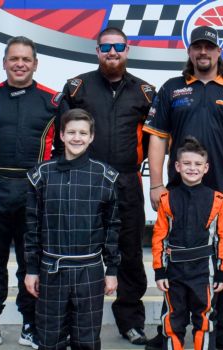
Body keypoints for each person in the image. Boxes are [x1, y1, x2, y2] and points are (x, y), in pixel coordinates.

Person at [143, 25, 223, 350]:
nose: (203, 53)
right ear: (190, 52)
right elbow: (156, 138)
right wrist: (155, 184)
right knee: (176, 265)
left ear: (218, 52)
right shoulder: (172, 88)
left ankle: (222, 332)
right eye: (197, 47)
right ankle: (168, 330)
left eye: (208, 48)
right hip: (178, 197)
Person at [0, 35, 64, 350]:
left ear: (35, 64)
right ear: (5, 63)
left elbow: (62, 149)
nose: (20, 64)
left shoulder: (53, 101)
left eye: (26, 59)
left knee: (31, 262)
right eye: (14, 59)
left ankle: (30, 326)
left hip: (34, 190)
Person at [60, 26, 155, 345]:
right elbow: (63, 138)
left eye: (118, 46)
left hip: (128, 182)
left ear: (128, 50)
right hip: (85, 181)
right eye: (106, 47)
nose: (112, 52)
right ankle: (77, 321)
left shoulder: (145, 92)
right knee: (80, 253)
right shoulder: (77, 88)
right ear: (96, 51)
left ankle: (130, 320)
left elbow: (153, 142)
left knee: (129, 253)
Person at [23, 108, 121, 350]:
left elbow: (113, 227)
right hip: (51, 268)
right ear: (62, 136)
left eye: (83, 133)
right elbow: (32, 227)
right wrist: (32, 269)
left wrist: (112, 270)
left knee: (86, 339)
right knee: (49, 336)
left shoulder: (105, 176)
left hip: (89, 269)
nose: (77, 138)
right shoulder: (41, 174)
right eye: (72, 132)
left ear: (92, 137)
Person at [151, 136, 223, 350]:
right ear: (177, 166)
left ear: (206, 168)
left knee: (204, 320)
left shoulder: (217, 199)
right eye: (186, 163)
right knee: (172, 320)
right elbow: (159, 237)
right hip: (174, 272)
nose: (192, 168)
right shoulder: (167, 199)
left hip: (204, 272)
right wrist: (159, 271)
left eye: (197, 164)